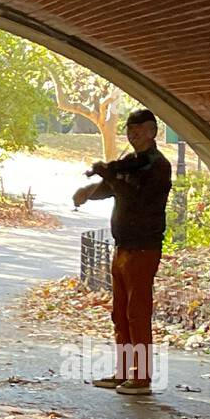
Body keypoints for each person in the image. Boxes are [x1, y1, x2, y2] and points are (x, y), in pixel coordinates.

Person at [73, 108, 172, 395]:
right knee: (119, 313)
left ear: (152, 131)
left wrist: (105, 171)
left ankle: (141, 377)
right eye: (129, 130)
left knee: (137, 312)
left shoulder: (158, 166)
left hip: (143, 247)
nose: (132, 135)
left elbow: (132, 195)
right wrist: (89, 190)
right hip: (123, 245)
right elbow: (112, 187)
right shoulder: (131, 162)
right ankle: (123, 371)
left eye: (138, 130)